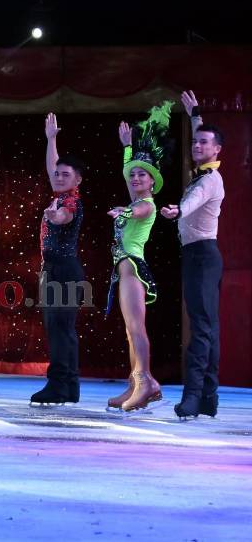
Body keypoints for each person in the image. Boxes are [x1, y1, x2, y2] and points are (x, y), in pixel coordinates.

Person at [105, 102, 173, 412]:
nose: (134, 178)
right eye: (132, 174)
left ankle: (146, 381)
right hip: (124, 268)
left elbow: (140, 208)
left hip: (133, 266)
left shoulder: (147, 204)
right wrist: (128, 148)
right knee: (129, 330)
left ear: (151, 182)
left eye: (140, 175)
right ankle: (136, 383)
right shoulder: (136, 193)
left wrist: (126, 210)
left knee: (136, 328)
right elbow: (127, 175)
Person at [162, 90, 225, 419]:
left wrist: (178, 209)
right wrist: (195, 114)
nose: (197, 146)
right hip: (199, 256)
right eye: (195, 141)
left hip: (202, 256)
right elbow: (203, 137)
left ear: (217, 150)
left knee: (201, 329)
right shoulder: (205, 171)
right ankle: (208, 398)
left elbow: (195, 199)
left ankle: (193, 396)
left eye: (204, 143)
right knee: (208, 327)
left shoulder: (210, 180)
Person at [30, 113, 86, 405]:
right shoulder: (60, 194)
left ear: (77, 179)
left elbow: (65, 217)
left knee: (59, 331)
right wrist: (51, 139)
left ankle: (59, 386)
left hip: (62, 271)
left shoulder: (70, 202)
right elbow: (53, 167)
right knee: (63, 330)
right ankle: (70, 387)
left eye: (66, 174)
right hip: (56, 270)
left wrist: (56, 217)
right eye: (57, 174)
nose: (59, 177)